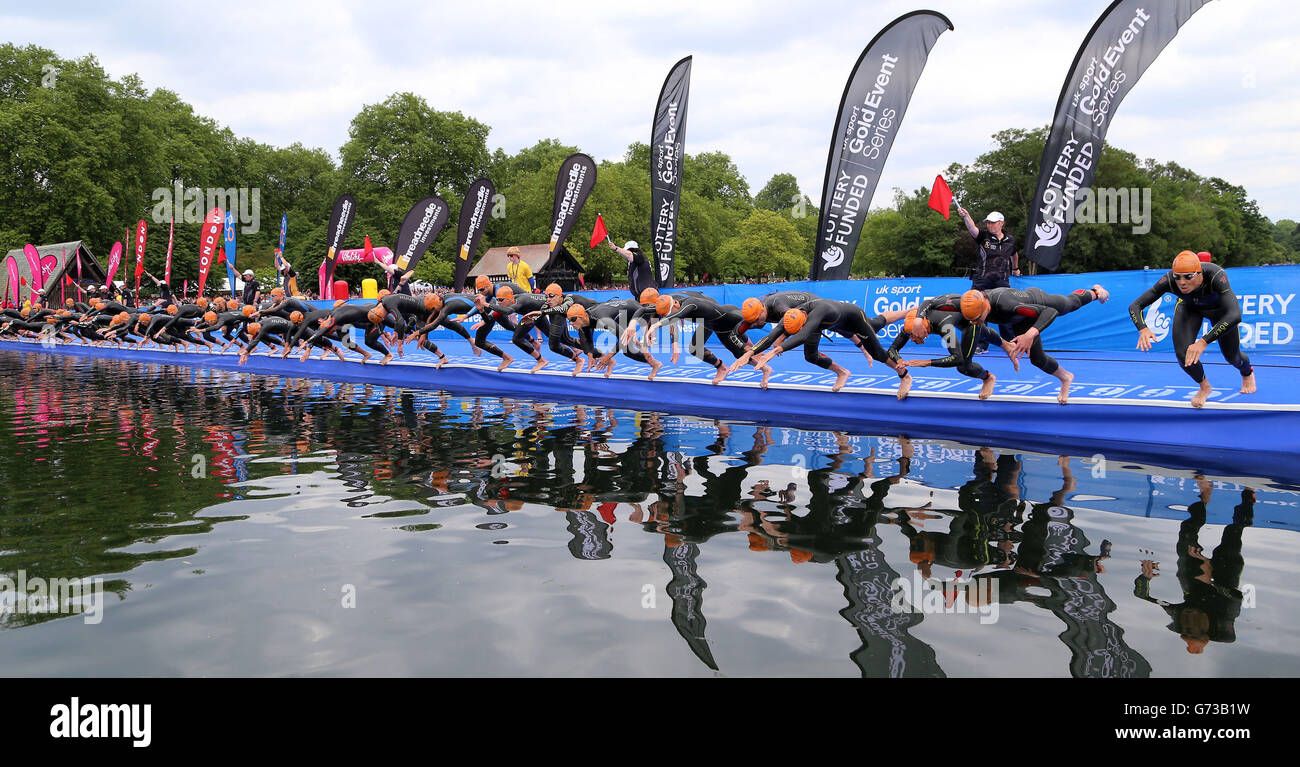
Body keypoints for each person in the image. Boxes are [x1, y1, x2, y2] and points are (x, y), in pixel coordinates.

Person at [1128, 250, 1255, 408]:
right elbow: (1135, 306)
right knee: (1183, 354)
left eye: (1188, 276)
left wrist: (1203, 341)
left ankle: (1247, 372)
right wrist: (1143, 328)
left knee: (1232, 356)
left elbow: (1235, 315)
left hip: (1219, 311)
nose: (1182, 282)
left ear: (1200, 274)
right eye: (1177, 277)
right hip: (1190, 308)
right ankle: (1204, 387)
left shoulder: (1215, 275)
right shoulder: (1169, 280)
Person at [959, 284, 1109, 404]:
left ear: (985, 307)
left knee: (1071, 303)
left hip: (1037, 303)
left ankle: (1095, 291)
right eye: (971, 318)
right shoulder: (968, 303)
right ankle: (1066, 377)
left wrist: (1029, 335)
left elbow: (1050, 312)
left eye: (977, 318)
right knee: (1037, 359)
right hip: (1014, 320)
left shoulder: (1008, 305)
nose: (975, 322)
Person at [751, 301, 911, 392]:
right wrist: (750, 353)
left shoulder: (815, 315)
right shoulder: (794, 315)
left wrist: (775, 351)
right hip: (836, 322)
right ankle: (908, 311)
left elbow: (803, 335)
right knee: (877, 322)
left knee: (877, 353)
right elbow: (780, 332)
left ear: (804, 322)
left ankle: (905, 376)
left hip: (853, 317)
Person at [957, 208, 1019, 353]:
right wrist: (966, 216)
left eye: (993, 223)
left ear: (1001, 223)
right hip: (982, 281)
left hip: (1002, 282)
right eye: (988, 223)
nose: (990, 225)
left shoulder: (1010, 240)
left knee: (1005, 312)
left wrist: (1015, 268)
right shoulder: (983, 236)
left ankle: (1012, 344)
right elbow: (972, 228)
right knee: (978, 313)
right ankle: (981, 344)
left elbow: (1014, 254)